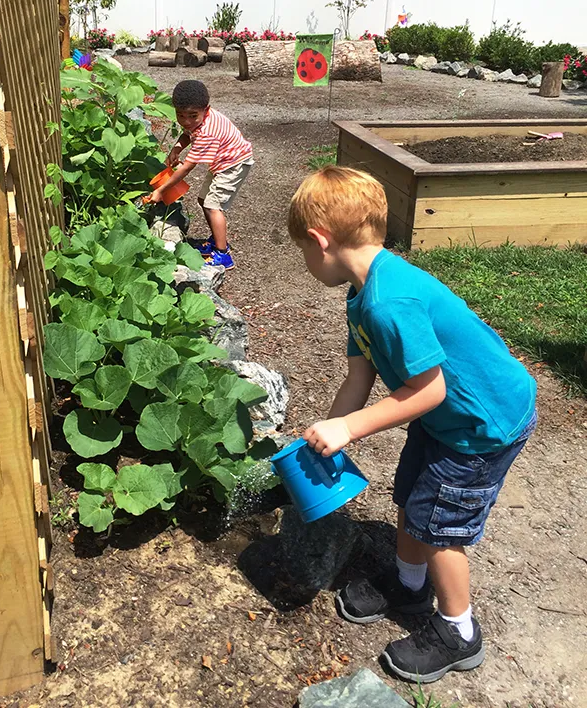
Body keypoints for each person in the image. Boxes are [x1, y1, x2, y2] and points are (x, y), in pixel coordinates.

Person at [287, 165, 537, 684]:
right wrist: (326, 434)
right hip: (445, 419)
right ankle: (408, 583)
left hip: (481, 423)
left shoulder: (388, 302)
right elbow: (360, 379)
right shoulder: (359, 296)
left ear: (320, 240)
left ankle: (458, 632)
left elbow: (431, 389)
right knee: (413, 496)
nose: (306, 260)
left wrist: (351, 430)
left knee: (440, 524)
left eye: (303, 250)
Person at [149, 80, 253, 269]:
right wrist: (176, 149)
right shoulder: (197, 120)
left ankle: (223, 254)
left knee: (214, 205)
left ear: (206, 109)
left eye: (192, 116)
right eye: (180, 115)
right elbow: (187, 133)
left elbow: (187, 167)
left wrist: (161, 190)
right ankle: (216, 240)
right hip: (222, 163)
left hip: (234, 164)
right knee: (203, 199)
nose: (186, 121)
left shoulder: (207, 132)